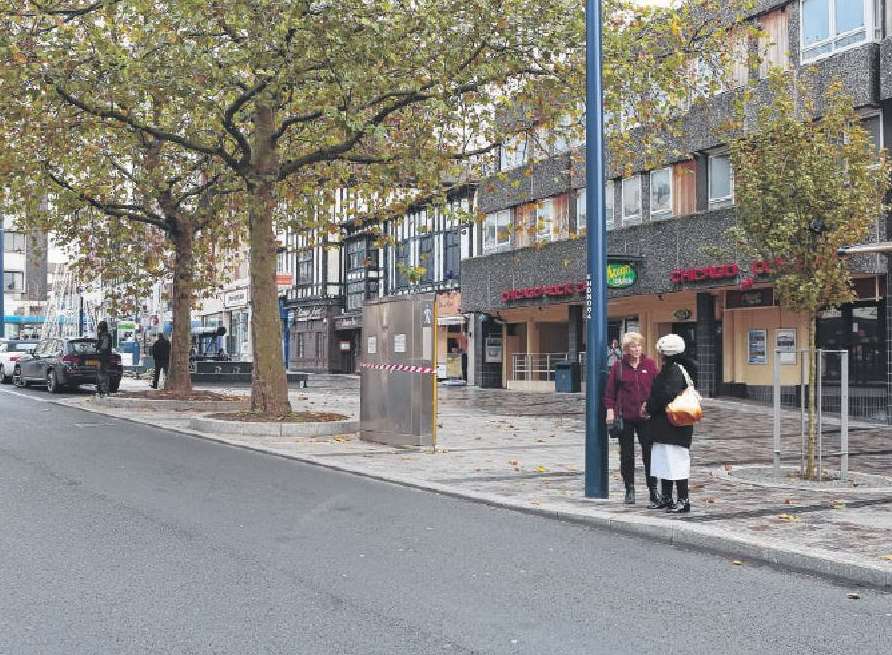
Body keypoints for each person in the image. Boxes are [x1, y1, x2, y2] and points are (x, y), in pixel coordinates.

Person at [643, 334, 696, 513]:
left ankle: (683, 499)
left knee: (676, 463)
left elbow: (665, 395)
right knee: (664, 463)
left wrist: (648, 407)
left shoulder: (674, 370)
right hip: (665, 428)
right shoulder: (677, 368)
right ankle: (667, 497)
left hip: (673, 427)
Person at [604, 332, 658, 505]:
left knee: (649, 454)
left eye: (639, 345)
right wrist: (610, 411)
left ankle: (653, 489)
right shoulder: (618, 367)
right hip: (625, 417)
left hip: (646, 417)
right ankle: (629, 488)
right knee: (627, 456)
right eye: (633, 346)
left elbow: (657, 388)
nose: (637, 349)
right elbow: (610, 392)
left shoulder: (649, 364)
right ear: (626, 349)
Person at [95, 320, 113, 397]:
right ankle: (106, 389)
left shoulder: (101, 335)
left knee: (100, 373)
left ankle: (101, 390)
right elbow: (109, 346)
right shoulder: (109, 336)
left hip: (101, 356)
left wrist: (96, 347)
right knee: (106, 373)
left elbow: (99, 345)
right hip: (108, 357)